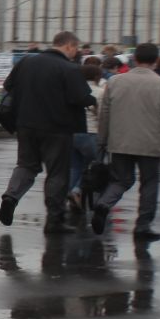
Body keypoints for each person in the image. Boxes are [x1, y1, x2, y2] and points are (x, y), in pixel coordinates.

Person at [0, 31, 92, 232]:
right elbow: (82, 98)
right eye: (75, 49)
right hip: (57, 129)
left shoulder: (26, 62)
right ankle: (54, 219)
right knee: (57, 173)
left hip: (25, 124)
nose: (75, 53)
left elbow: (8, 86)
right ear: (68, 46)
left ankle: (11, 196)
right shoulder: (69, 68)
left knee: (26, 165)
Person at [91, 43, 160, 241]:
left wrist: (103, 139)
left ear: (134, 59)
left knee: (121, 179)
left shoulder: (115, 82)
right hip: (152, 142)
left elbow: (104, 114)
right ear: (156, 61)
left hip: (120, 141)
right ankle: (143, 226)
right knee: (149, 183)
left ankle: (104, 203)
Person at [68, 62, 106, 211]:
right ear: (97, 76)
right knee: (93, 166)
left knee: (74, 166)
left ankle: (69, 191)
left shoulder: (72, 90)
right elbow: (102, 115)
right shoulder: (100, 92)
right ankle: (77, 190)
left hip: (72, 132)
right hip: (91, 132)